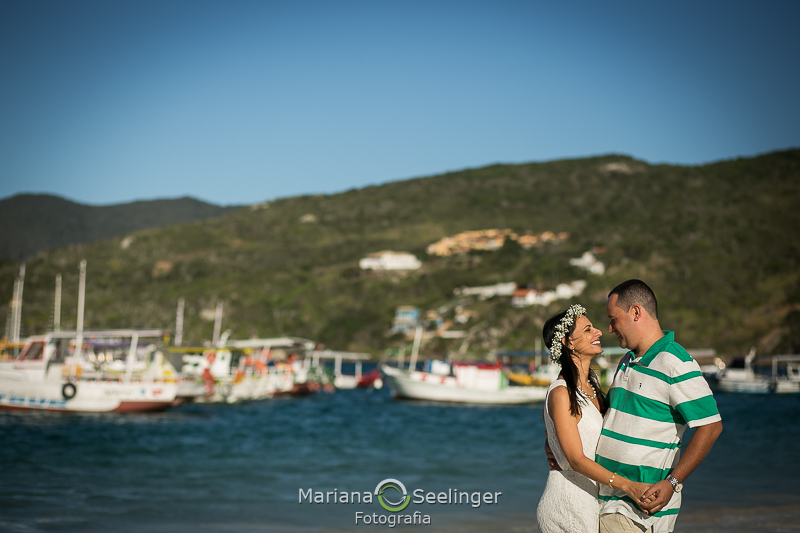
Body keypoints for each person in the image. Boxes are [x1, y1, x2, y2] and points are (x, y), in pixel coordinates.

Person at [596, 279, 723, 532]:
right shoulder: (626, 360)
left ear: (635, 312)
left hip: (637, 510)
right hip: (608, 499)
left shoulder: (676, 363)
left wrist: (673, 481)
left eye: (614, 319)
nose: (610, 328)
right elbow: (609, 417)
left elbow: (711, 426)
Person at [537, 304, 652, 533]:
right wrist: (629, 486)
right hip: (567, 502)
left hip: (590, 500)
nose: (599, 331)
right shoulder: (561, 392)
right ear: (568, 343)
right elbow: (576, 459)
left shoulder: (593, 388)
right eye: (588, 329)